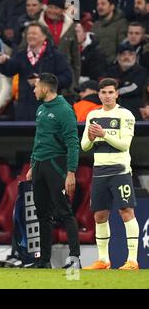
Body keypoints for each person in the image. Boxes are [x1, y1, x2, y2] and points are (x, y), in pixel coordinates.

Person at [82, 78, 140, 271]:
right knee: (99, 215)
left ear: (117, 94)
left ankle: (132, 260)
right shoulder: (93, 115)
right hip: (99, 170)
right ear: (99, 94)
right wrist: (90, 137)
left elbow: (125, 144)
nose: (107, 96)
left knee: (126, 212)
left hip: (120, 170)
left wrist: (104, 134)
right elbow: (84, 146)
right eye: (103, 92)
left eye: (110, 92)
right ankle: (104, 260)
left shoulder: (126, 115)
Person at [25, 73, 81, 269]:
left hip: (56, 165)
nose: (33, 90)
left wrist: (71, 172)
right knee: (42, 214)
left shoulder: (65, 110)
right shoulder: (41, 109)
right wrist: (32, 166)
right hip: (39, 165)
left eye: (36, 86)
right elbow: (38, 139)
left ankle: (75, 260)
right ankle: (44, 261)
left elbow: (73, 143)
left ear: (45, 89)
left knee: (65, 212)